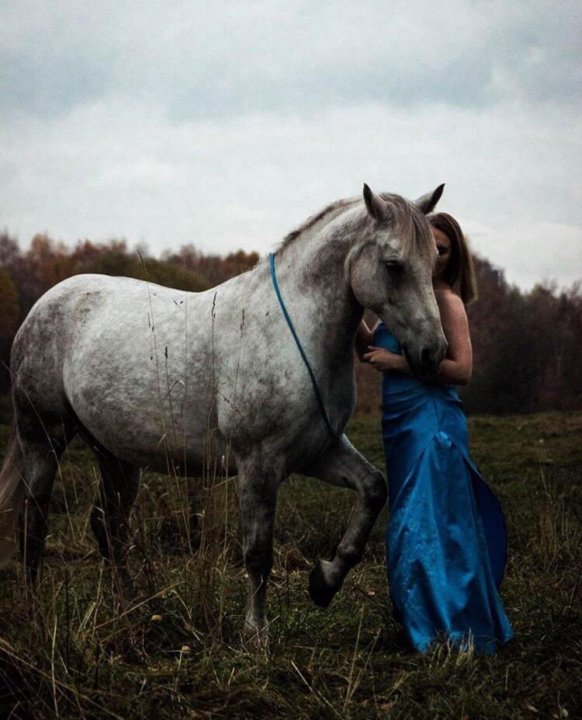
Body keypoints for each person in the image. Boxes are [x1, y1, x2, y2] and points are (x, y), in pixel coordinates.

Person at [356, 212, 513, 653]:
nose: (434, 258)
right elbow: (372, 349)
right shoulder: (407, 301)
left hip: (432, 421)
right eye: (428, 248)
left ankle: (447, 626)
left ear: (452, 255)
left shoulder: (447, 301)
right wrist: (351, 311)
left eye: (442, 251)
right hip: (399, 426)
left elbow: (462, 370)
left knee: (425, 525)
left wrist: (400, 365)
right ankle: (422, 621)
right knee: (411, 519)